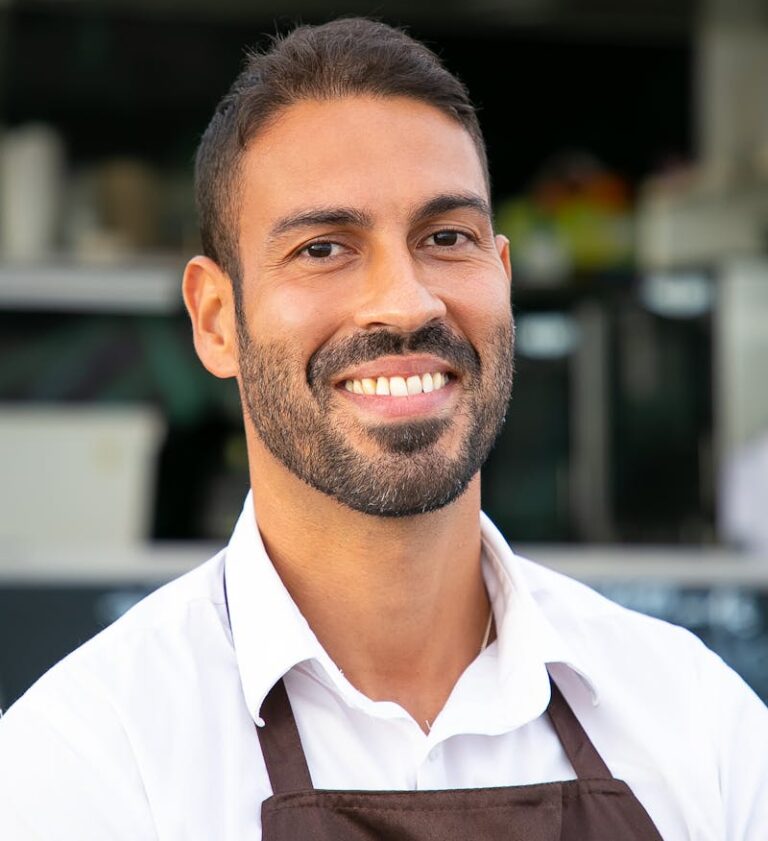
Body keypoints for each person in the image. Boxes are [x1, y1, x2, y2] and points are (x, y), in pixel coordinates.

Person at [0, 17, 766, 840]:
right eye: (325, 247)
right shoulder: (88, 762)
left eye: (446, 238)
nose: (407, 301)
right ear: (217, 319)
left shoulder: (698, 722)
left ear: (501, 279)